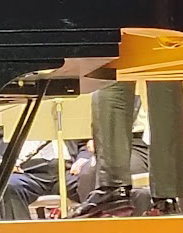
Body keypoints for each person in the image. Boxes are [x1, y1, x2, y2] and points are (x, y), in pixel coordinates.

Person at [71, 81, 183, 217]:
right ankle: (169, 196)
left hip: (138, 141)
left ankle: (114, 188)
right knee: (165, 75)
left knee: (113, 71)